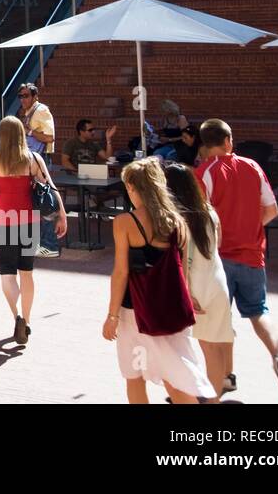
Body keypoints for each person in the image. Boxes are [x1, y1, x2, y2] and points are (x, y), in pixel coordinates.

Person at [196, 119, 278, 403]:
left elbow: (200, 219)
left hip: (220, 259)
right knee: (259, 311)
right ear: (228, 140)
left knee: (220, 322)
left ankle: (223, 381)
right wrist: (253, 228)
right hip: (253, 253)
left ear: (206, 144)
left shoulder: (204, 172)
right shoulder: (253, 166)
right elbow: (272, 209)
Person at [102, 158, 216, 404]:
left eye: (128, 187)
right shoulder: (178, 222)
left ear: (134, 187)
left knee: (134, 377)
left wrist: (112, 316)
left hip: (135, 313)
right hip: (170, 311)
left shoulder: (125, 223)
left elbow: (121, 272)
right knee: (174, 379)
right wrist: (189, 297)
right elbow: (182, 269)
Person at [0, 116, 67, 345]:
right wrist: (62, 215)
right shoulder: (33, 159)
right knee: (26, 273)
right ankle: (26, 320)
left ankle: (16, 315)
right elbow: (51, 187)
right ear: (21, 134)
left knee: (7, 274)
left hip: (5, 222)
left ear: (1, 136)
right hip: (30, 222)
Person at [164, 161, 235, 398]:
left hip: (193, 287)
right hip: (216, 282)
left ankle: (186, 397)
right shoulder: (209, 211)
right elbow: (219, 244)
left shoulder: (175, 218)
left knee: (179, 350)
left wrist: (187, 292)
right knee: (212, 348)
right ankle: (212, 400)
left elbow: (179, 259)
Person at [17, 83, 59, 257]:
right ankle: (40, 242)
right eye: (20, 96)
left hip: (41, 159)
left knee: (44, 200)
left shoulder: (41, 111)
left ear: (35, 97)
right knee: (35, 201)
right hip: (32, 160)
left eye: (26, 95)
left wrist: (30, 131)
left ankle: (50, 245)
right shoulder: (28, 112)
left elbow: (50, 137)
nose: (23, 99)